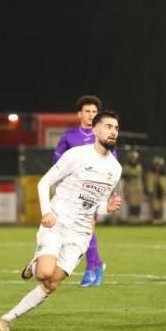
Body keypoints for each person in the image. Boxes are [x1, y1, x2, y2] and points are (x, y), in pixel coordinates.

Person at [0, 111, 123, 331]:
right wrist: (46, 211)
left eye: (116, 128)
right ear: (95, 130)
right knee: (44, 272)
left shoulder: (115, 169)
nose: (113, 132)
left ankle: (6, 319)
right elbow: (44, 183)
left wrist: (107, 209)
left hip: (80, 234)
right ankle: (34, 265)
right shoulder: (76, 155)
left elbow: (95, 205)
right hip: (58, 222)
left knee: (51, 283)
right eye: (109, 126)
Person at [52, 95, 109, 287]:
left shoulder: (103, 134)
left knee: (87, 228)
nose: (91, 114)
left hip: (93, 190)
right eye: (88, 111)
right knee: (79, 229)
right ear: (79, 114)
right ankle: (97, 265)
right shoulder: (69, 136)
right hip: (71, 192)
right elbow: (57, 160)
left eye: (94, 112)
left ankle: (91, 268)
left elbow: (112, 159)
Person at [145, 156, 166, 224]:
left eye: (159, 165)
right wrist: (150, 191)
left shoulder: (163, 174)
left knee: (161, 206)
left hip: (161, 192)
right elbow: (149, 182)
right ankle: (155, 220)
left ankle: (160, 219)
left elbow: (165, 183)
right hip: (154, 192)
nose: (157, 166)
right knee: (154, 206)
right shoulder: (150, 173)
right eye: (156, 165)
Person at [122, 151, 144, 223]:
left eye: (134, 158)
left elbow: (137, 175)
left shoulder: (139, 166)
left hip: (138, 187)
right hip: (130, 188)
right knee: (132, 203)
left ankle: (137, 218)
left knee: (138, 203)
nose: (133, 160)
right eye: (132, 158)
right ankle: (131, 219)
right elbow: (124, 175)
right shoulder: (126, 167)